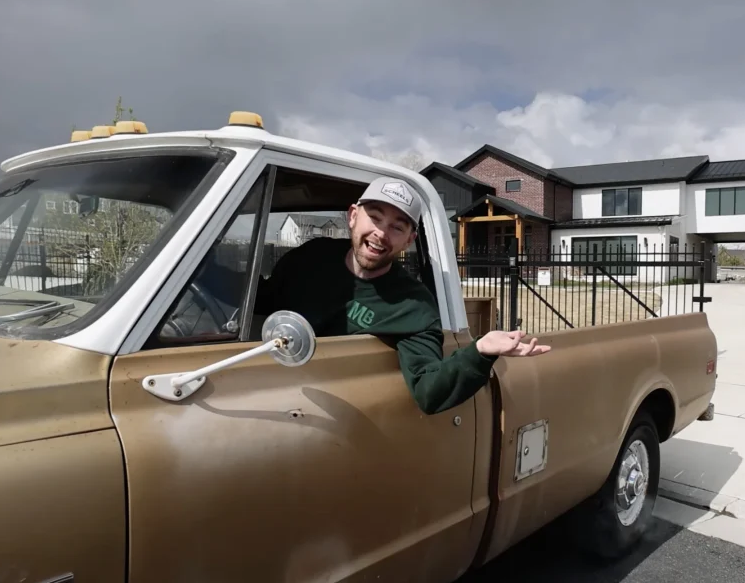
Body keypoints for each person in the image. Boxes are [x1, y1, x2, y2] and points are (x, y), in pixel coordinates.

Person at [201, 176, 550, 415]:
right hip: (262, 390)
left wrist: (480, 351)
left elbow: (429, 391)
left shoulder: (413, 306)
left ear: (409, 240)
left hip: (333, 409)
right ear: (353, 217)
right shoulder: (310, 257)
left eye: (397, 226)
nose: (381, 233)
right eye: (375, 217)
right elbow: (261, 300)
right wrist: (203, 273)